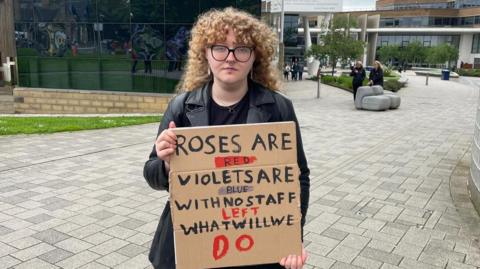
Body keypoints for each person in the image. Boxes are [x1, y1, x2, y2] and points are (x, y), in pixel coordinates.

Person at [143, 7, 310, 269]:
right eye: (220, 47)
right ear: (206, 54)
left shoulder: (278, 108)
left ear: (255, 56)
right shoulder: (181, 107)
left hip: (257, 243)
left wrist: (290, 235)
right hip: (193, 241)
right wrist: (165, 163)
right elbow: (151, 173)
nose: (230, 58)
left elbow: (298, 176)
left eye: (242, 49)